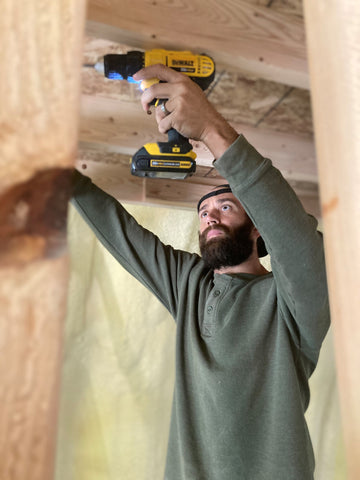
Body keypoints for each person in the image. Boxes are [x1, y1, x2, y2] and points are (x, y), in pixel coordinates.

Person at [71, 64, 330, 480]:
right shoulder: (189, 285)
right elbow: (122, 236)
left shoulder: (291, 302)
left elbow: (298, 241)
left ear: (259, 224)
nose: (209, 217)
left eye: (226, 207)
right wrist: (59, 173)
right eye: (203, 211)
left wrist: (211, 128)